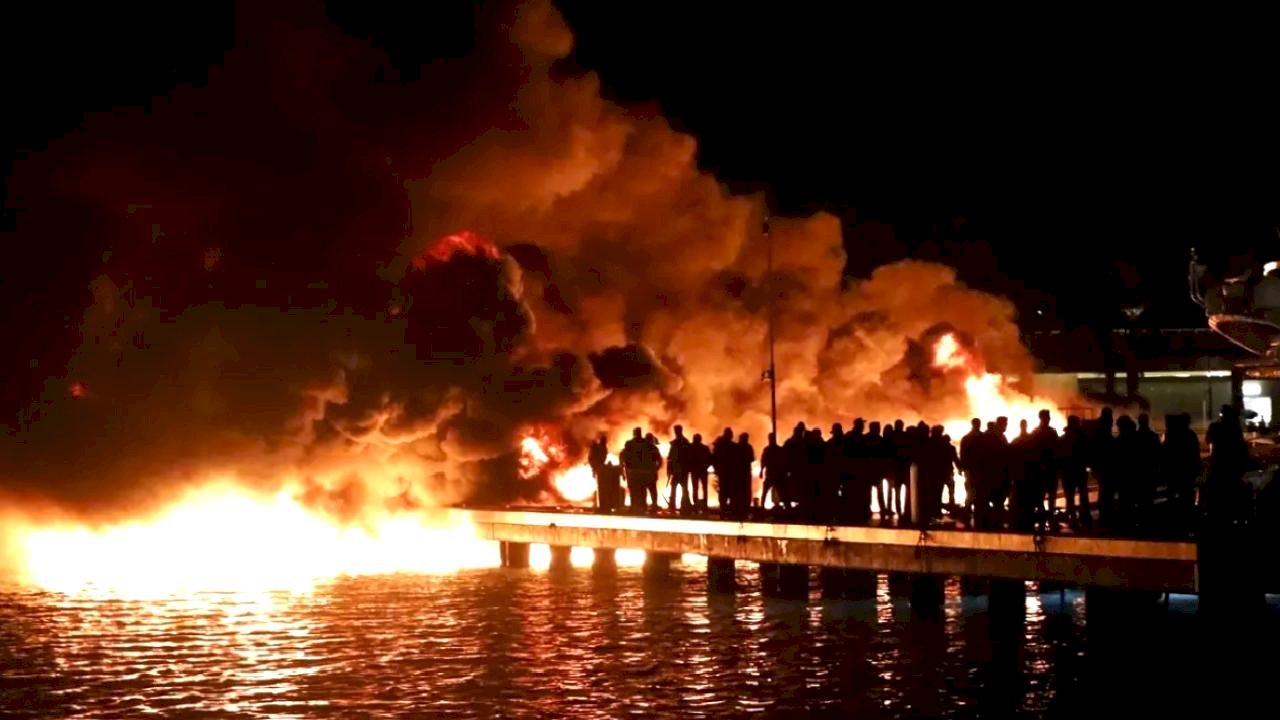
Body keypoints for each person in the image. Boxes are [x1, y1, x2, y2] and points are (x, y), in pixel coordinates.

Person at [667, 425, 693, 513]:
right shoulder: (683, 442)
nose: (675, 432)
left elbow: (671, 457)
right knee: (680, 489)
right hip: (679, 470)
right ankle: (681, 507)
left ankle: (682, 507)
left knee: (682, 489)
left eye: (676, 430)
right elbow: (670, 458)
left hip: (680, 470)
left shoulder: (681, 442)